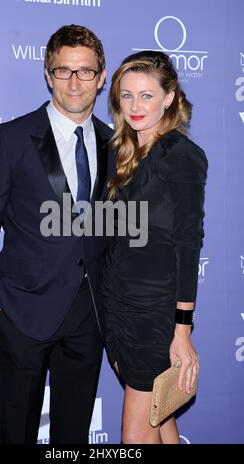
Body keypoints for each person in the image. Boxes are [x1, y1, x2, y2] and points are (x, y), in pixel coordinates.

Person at [0, 24, 114, 444]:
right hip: (22, 316)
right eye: (63, 71)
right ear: (48, 74)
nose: (74, 82)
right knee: (16, 435)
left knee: (73, 440)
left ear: (101, 77)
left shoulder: (115, 143)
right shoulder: (9, 139)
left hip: (89, 320)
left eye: (85, 71)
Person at [103, 50, 207, 444]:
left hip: (153, 317)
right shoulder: (124, 154)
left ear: (169, 96)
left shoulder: (181, 156)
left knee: (135, 437)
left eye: (147, 95)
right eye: (126, 96)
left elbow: (188, 243)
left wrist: (182, 331)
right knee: (162, 421)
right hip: (119, 310)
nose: (135, 106)